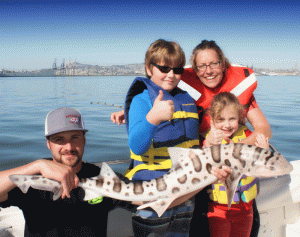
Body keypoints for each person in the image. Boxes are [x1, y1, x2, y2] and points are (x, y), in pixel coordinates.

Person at [111, 40, 270, 236]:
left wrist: (233, 151)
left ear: (223, 63)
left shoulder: (237, 95)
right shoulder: (189, 94)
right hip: (177, 182)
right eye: (202, 66)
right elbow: (158, 104)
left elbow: (264, 129)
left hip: (206, 181)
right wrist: (135, 114)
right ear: (194, 70)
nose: (208, 70)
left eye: (214, 64)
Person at [123, 39, 230, 237]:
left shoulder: (186, 99)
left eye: (177, 70)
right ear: (149, 68)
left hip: (184, 192)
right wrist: (153, 118)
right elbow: (137, 146)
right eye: (164, 68)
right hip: (152, 193)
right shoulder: (141, 100)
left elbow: (193, 145)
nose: (171, 75)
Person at [0, 107, 134, 237]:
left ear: (84, 140)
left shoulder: (103, 177)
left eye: (75, 137)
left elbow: (145, 198)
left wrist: (149, 118)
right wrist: (37, 166)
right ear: (48, 144)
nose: (69, 147)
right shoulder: (31, 178)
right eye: (59, 139)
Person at [203, 92, 269, 237]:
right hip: (219, 210)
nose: (227, 125)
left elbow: (259, 168)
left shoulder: (247, 135)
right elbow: (205, 157)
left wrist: (263, 153)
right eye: (221, 120)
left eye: (232, 119)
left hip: (246, 209)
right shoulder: (212, 139)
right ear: (212, 121)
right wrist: (210, 143)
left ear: (239, 118)